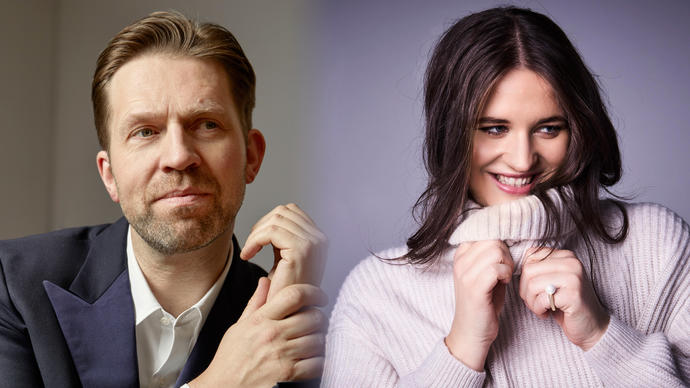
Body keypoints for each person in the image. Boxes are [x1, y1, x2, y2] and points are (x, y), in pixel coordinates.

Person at [323, 6, 689, 387]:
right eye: (494, 129)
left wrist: (603, 337)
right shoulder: (378, 293)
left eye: (548, 128)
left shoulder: (656, 244)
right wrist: (461, 350)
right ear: (450, 135)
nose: (521, 159)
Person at [0, 11, 327, 388]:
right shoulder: (14, 286)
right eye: (145, 132)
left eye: (207, 124)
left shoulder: (295, 327)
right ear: (110, 175)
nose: (178, 156)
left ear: (251, 156)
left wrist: (290, 312)